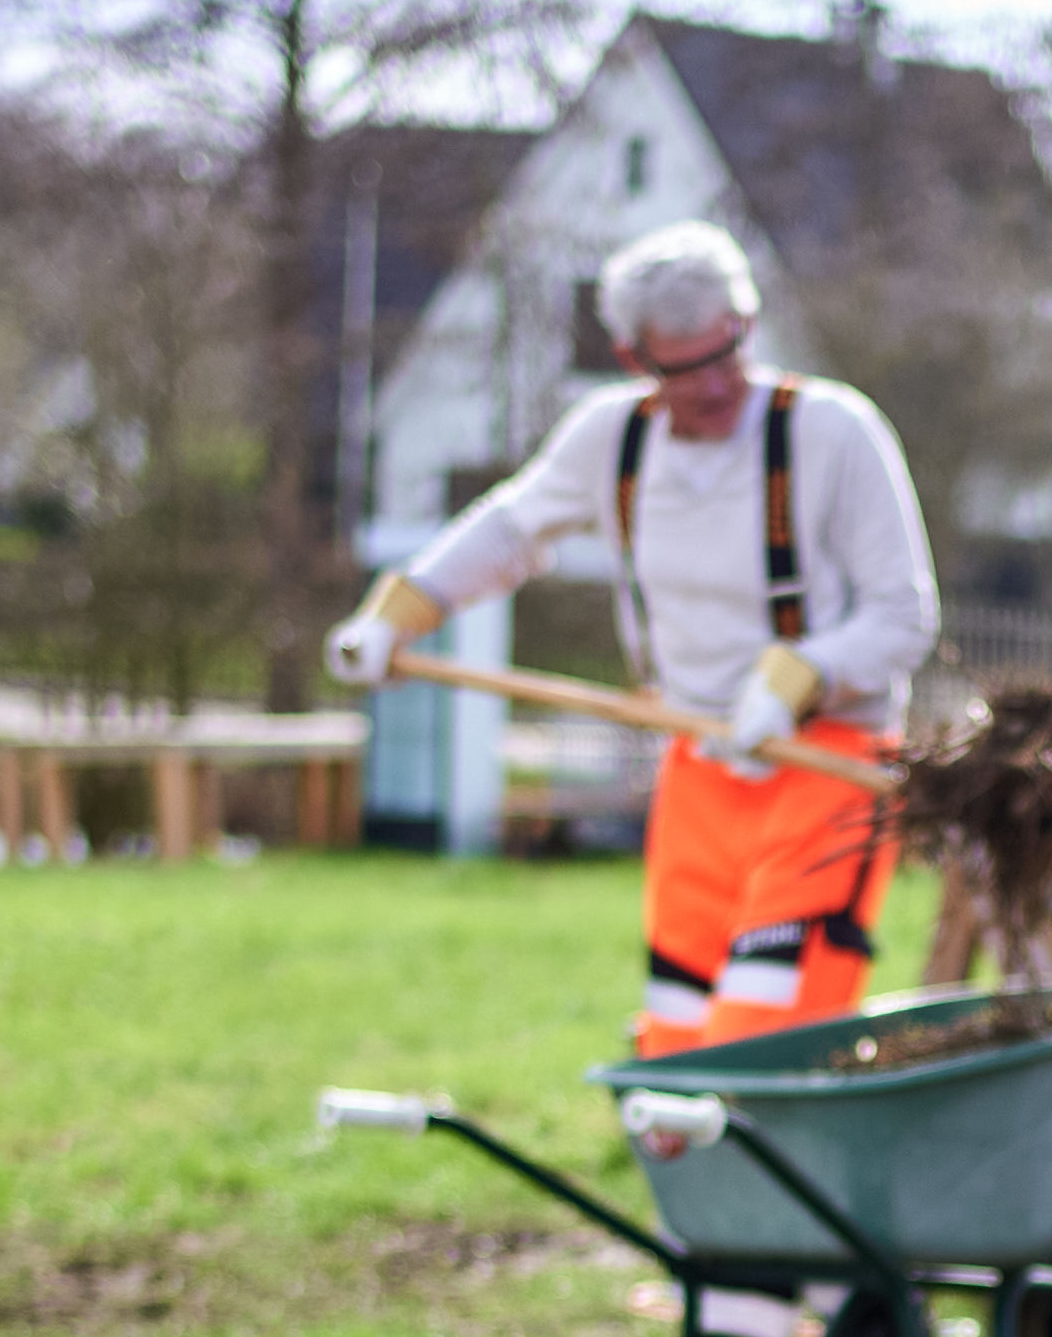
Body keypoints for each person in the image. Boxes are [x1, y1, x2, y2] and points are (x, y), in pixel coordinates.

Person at [329, 221, 943, 1059]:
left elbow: (903, 617)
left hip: (826, 770)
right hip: (695, 761)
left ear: (746, 325)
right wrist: (397, 613)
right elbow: (510, 529)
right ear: (635, 360)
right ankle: (688, 1176)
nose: (717, 386)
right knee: (677, 1027)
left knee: (769, 1022)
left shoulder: (832, 433)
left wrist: (801, 679)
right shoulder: (611, 440)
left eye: (728, 354)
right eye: (686, 371)